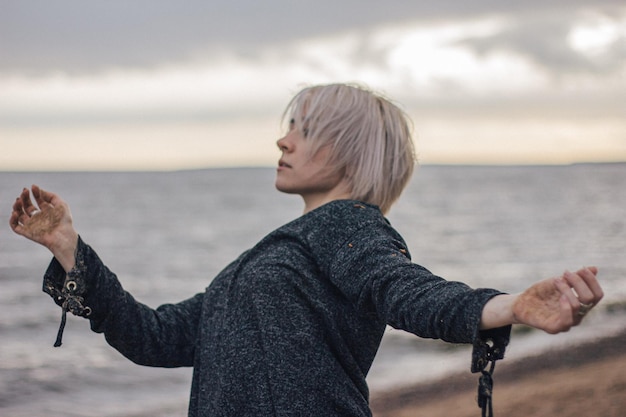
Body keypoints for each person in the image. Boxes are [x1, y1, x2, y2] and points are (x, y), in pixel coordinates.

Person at [10, 83, 603, 417]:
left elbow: (410, 291)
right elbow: (153, 336)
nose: (283, 139)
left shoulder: (351, 227)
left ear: (350, 152)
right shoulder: (269, 260)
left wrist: (506, 308)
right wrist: (68, 247)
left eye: (304, 130)